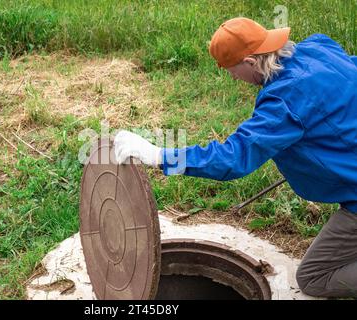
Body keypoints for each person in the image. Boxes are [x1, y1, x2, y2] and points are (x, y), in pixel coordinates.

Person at [114, 17, 357, 298]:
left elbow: (233, 158)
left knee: (314, 278)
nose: (230, 76)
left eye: (229, 69)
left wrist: (157, 155)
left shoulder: (284, 103)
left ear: (251, 62)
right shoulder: (318, 47)